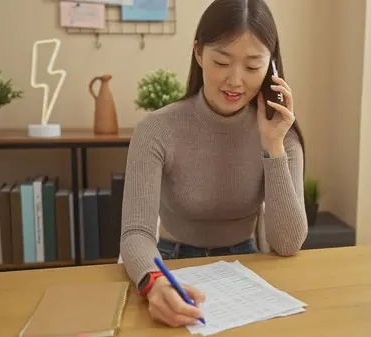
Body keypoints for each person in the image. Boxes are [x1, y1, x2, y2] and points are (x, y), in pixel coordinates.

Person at [119, 0, 308, 328]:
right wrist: (155, 282)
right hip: (171, 265)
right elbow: (136, 232)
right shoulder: (156, 130)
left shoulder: (281, 133)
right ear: (198, 53)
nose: (235, 80)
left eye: (252, 67)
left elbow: (288, 243)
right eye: (221, 61)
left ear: (271, 67)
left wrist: (273, 146)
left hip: (247, 268)